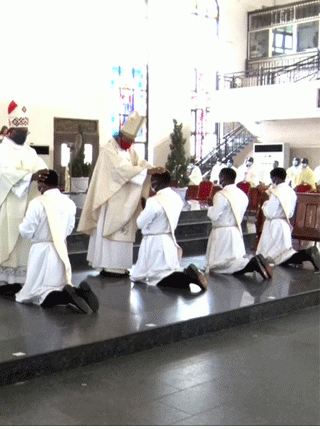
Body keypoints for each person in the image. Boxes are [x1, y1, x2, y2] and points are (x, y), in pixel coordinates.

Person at [0, 101, 48, 295]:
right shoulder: (0, 151)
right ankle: (1, 281)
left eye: (25, 131)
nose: (24, 135)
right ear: (10, 131)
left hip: (24, 207)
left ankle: (19, 279)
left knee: (21, 246)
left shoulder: (30, 152)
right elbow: (5, 175)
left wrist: (45, 175)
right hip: (5, 207)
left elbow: (39, 166)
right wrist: (30, 177)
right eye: (20, 132)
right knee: (4, 242)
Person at [77, 112, 155, 277]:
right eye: (128, 140)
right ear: (120, 137)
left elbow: (140, 162)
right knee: (109, 233)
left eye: (132, 141)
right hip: (111, 198)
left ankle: (121, 265)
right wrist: (144, 171)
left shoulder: (130, 150)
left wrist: (151, 168)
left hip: (127, 199)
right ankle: (107, 265)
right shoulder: (108, 150)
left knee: (123, 234)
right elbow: (120, 170)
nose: (130, 144)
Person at [15, 169, 99, 312]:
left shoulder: (37, 203)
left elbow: (26, 231)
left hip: (42, 252)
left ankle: (67, 297)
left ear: (42, 184)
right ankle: (79, 292)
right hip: (60, 250)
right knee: (59, 284)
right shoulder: (69, 203)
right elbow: (70, 228)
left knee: (38, 293)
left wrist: (21, 227)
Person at [129, 170, 208, 291]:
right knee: (167, 271)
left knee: (158, 277)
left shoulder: (154, 201)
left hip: (155, 243)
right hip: (169, 239)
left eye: (152, 182)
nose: (151, 185)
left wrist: (143, 210)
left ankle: (190, 276)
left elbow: (140, 223)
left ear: (156, 183)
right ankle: (188, 274)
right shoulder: (177, 198)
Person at [205, 167, 270, 279]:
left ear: (223, 178)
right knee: (233, 260)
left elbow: (214, 216)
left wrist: (210, 206)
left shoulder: (221, 195)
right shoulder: (242, 195)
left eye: (220, 177)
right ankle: (250, 264)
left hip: (222, 233)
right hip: (236, 231)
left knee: (219, 265)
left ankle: (251, 264)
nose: (219, 180)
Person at [256, 167, 320, 270]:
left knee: (272, 257)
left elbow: (269, 212)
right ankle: (305, 254)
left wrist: (265, 204)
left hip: (274, 226)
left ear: (275, 178)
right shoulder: (291, 191)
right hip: (285, 224)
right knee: (283, 254)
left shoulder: (277, 192)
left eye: (271, 179)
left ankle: (307, 254)